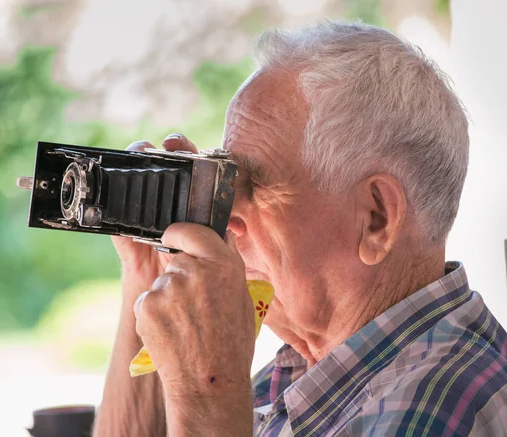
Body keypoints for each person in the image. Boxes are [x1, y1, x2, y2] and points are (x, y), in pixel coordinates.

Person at [92, 21, 507, 436]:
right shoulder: (307, 371)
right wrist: (150, 274)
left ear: (375, 219)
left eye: (253, 184)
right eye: (225, 181)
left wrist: (208, 394)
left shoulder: (435, 405)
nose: (224, 217)